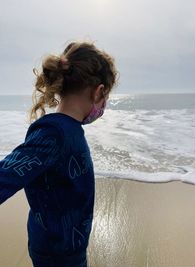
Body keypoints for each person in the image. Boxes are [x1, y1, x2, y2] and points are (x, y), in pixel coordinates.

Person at [0, 40, 118, 267]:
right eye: (106, 98)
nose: (104, 105)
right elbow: (6, 175)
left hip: (68, 247)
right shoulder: (54, 134)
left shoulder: (70, 130)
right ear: (99, 92)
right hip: (56, 255)